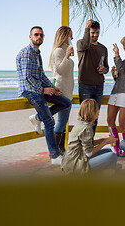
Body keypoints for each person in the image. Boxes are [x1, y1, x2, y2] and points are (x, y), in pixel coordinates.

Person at [16, 26, 71, 165]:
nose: (38, 37)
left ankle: (37, 117)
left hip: (40, 89)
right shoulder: (26, 53)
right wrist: (43, 90)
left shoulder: (37, 53)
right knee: (49, 121)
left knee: (66, 103)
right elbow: (27, 77)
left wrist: (53, 88)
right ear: (30, 37)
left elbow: (41, 75)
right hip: (30, 91)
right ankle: (54, 156)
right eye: (36, 35)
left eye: (41, 35)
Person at [61, 99, 119, 174]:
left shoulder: (80, 122)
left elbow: (85, 144)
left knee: (108, 151)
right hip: (76, 164)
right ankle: (105, 172)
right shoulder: (86, 128)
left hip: (72, 160)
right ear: (92, 112)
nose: (99, 112)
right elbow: (88, 153)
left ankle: (109, 170)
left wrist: (102, 140)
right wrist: (105, 142)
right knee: (112, 156)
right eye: (97, 110)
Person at [77, 19, 109, 132]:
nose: (95, 35)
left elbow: (107, 67)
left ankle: (90, 143)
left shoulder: (103, 48)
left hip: (99, 85)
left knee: (95, 116)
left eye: (97, 33)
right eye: (92, 33)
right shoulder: (81, 44)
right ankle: (82, 144)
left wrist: (105, 70)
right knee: (85, 116)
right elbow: (85, 44)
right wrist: (86, 27)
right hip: (85, 84)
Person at [49, 26, 75, 155]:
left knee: (63, 121)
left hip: (68, 91)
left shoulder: (63, 50)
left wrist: (67, 55)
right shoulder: (59, 51)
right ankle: (58, 150)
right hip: (62, 90)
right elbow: (60, 70)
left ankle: (61, 149)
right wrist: (67, 56)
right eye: (70, 35)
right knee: (61, 122)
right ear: (64, 36)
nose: (72, 38)